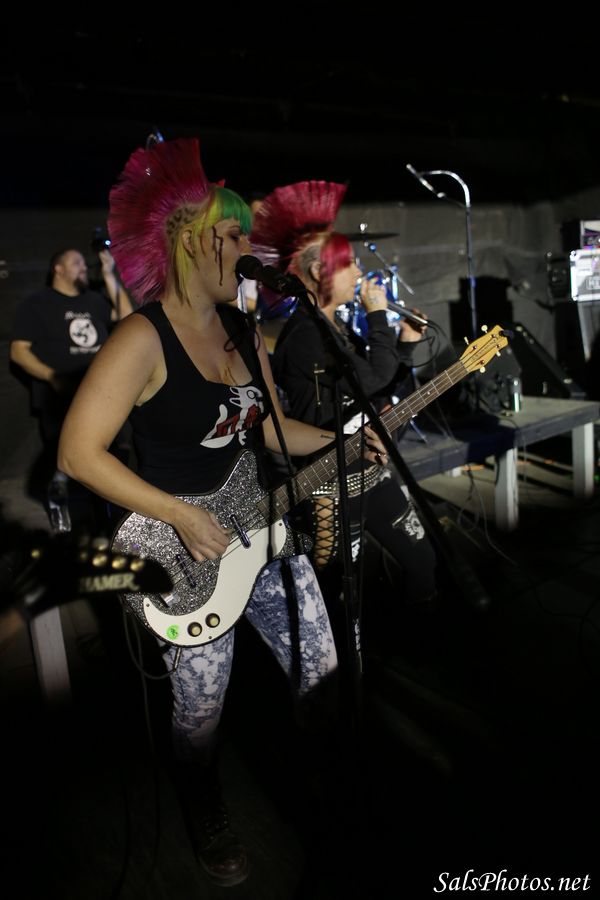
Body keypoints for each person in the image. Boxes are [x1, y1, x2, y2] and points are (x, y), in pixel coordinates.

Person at [57, 138, 387, 887]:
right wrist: (177, 514)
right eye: (233, 235)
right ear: (190, 241)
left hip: (262, 528)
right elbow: (78, 453)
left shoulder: (242, 330)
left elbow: (270, 428)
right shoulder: (142, 337)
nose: (247, 249)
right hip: (186, 553)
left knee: (322, 674)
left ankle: (327, 789)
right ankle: (203, 798)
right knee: (200, 710)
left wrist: (343, 442)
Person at [250, 180, 438, 621]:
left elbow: (374, 393)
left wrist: (405, 345)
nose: (358, 274)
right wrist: (378, 315)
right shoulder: (305, 336)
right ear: (320, 271)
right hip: (330, 488)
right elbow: (373, 377)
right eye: (348, 263)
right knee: (337, 596)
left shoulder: (333, 329)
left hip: (369, 473)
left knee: (422, 561)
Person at [10, 246, 134, 530]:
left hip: (102, 395)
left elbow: (127, 317)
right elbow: (18, 351)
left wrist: (109, 275)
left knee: (110, 455)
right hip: (59, 398)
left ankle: (107, 516)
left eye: (84, 263)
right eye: (76, 262)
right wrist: (52, 377)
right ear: (58, 268)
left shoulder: (94, 300)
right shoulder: (37, 303)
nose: (83, 267)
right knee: (63, 459)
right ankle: (60, 506)